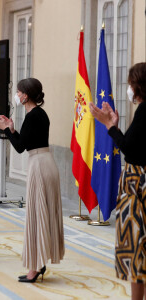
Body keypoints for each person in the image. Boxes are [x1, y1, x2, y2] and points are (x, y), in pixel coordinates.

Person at [0, 78, 65, 282]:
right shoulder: (40, 114)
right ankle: (39, 263)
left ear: (25, 95)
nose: (17, 95)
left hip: (39, 164)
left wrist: (6, 128)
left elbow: (20, 147)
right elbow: (26, 141)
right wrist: (11, 129)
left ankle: (35, 267)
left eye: (19, 91)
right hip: (45, 161)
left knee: (36, 215)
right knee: (42, 214)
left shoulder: (33, 116)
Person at [90, 62, 146, 300]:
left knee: (136, 247)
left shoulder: (145, 110)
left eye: (130, 83)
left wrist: (109, 125)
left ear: (139, 85)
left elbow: (130, 149)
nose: (129, 88)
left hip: (137, 183)